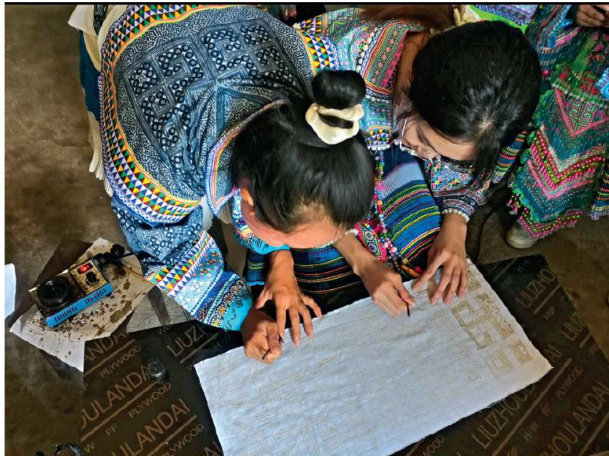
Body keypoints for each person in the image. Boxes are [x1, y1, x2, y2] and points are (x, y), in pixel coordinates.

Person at [72, 4, 385, 363]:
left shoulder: (317, 86)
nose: (288, 249)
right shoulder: (152, 170)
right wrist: (240, 314)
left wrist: (281, 261)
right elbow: (171, 252)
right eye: (285, 240)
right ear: (247, 201)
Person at [247, 6, 542, 329]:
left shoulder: (478, 96)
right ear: (410, 91)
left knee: (430, 256)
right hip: (310, 173)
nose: (431, 158)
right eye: (426, 141)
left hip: (383, 156)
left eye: (446, 156)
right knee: (324, 282)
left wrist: (456, 225)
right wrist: (361, 262)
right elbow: (284, 183)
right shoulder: (333, 69)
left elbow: (461, 174)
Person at [470, 5, 609, 248]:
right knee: (519, 107)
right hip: (560, 37)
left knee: (573, 136)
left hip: (598, 73)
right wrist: (572, 7)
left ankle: (536, 215)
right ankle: (486, 180)